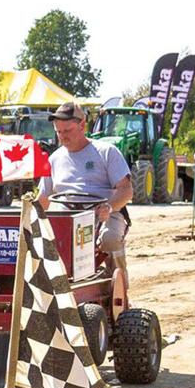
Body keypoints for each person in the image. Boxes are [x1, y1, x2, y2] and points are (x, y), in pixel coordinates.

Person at [38, 101, 134, 289]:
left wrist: (109, 207)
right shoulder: (54, 159)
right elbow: (43, 198)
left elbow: (126, 190)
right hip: (66, 217)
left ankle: (119, 289)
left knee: (109, 238)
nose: (62, 136)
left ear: (82, 125)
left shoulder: (106, 152)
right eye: (59, 132)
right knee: (43, 243)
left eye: (67, 131)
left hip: (103, 214)